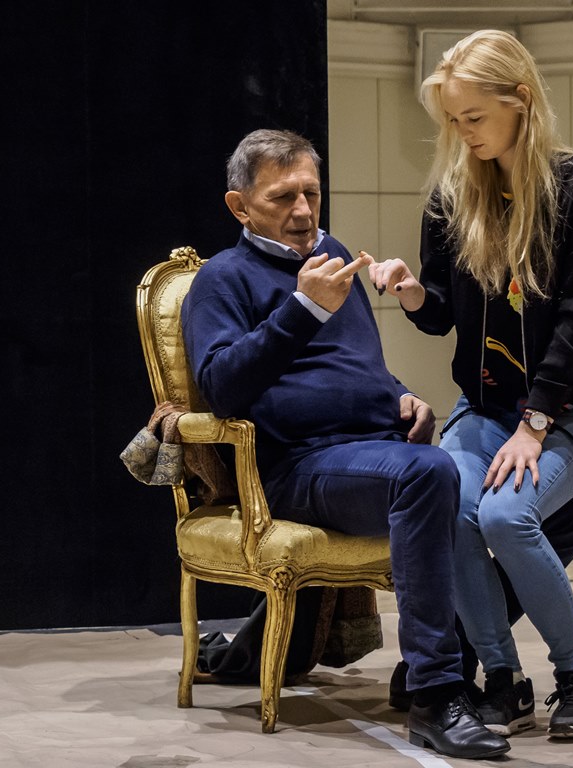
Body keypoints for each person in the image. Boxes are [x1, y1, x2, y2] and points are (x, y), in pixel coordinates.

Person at [181, 128, 509, 759]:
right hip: (297, 466)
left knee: (545, 507)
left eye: (311, 192)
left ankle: (464, 662)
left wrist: (402, 394)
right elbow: (220, 387)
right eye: (282, 197)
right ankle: (437, 695)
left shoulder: (331, 255)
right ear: (239, 206)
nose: (303, 210)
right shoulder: (222, 279)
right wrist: (301, 309)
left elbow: (357, 365)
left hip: (374, 452)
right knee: (428, 473)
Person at [367, 30, 573, 739]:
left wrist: (534, 425)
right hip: (482, 410)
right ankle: (503, 680)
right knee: (447, 507)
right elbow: (441, 317)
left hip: (564, 412)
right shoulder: (452, 199)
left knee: (507, 519)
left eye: (474, 117)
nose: (463, 134)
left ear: (522, 101)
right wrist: (413, 292)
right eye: (453, 120)